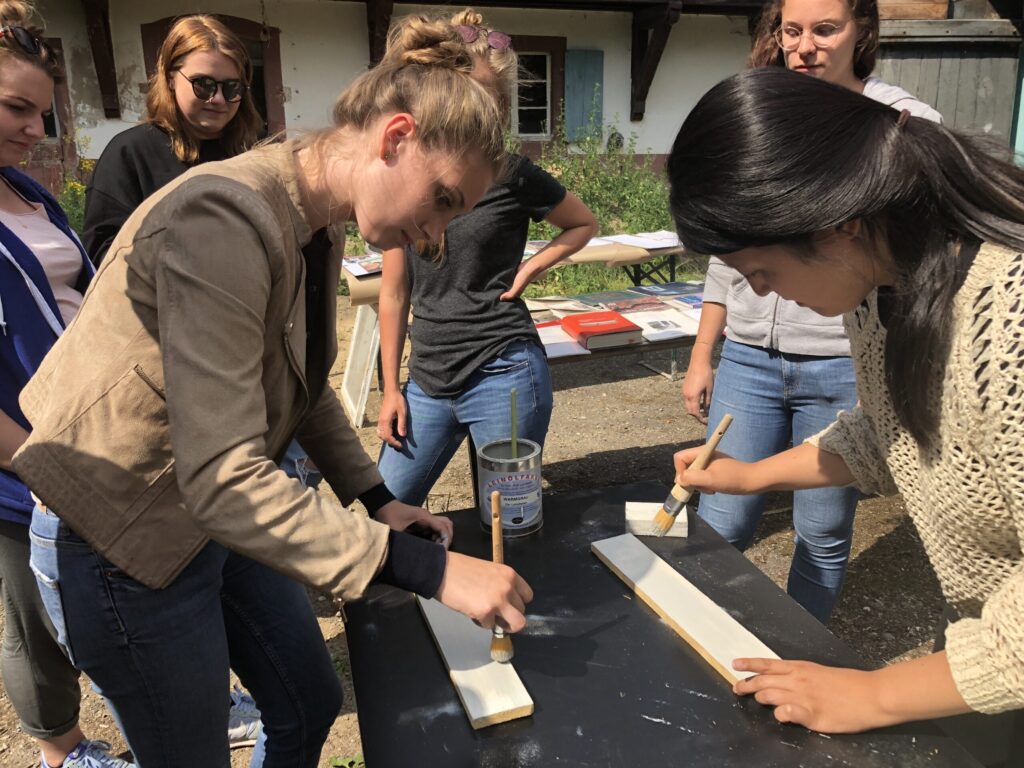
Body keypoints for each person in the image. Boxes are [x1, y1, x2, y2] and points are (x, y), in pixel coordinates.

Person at [14, 18, 533, 768]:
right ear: (395, 138)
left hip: (212, 518)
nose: (435, 237)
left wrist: (375, 498)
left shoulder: (315, 217)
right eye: (444, 199)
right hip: (122, 537)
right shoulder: (222, 217)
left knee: (308, 700)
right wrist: (432, 570)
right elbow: (225, 478)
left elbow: (299, 382)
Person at [668, 66, 1024, 733]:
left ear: (838, 226)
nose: (762, 293)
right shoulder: (881, 287)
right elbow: (891, 431)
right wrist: (752, 476)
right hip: (988, 647)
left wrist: (874, 695)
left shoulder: (1009, 322)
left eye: (762, 272)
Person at [680, 0, 939, 623]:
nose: (804, 47)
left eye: (825, 29)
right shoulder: (765, 111)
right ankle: (708, 637)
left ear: (862, 32)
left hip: (837, 364)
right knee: (722, 516)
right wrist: (703, 352)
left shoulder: (901, 124)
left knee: (821, 529)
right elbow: (726, 256)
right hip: (750, 357)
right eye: (791, 31)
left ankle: (803, 642)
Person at [376, 8, 598, 506]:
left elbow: (583, 223)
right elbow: (393, 291)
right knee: (385, 510)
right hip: (427, 377)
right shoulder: (400, 177)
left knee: (505, 520)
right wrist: (391, 388)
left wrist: (530, 268)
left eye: (491, 101)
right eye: (468, 96)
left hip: (504, 370)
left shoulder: (512, 173)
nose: (480, 113)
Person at [0, 3, 131, 766]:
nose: (34, 129)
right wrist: (43, 464)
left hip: (80, 441)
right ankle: (61, 752)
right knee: (30, 619)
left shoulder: (28, 192)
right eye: (16, 108)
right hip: (24, 460)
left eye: (42, 113)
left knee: (97, 600)